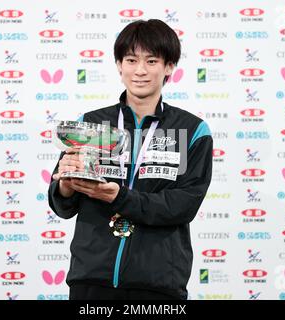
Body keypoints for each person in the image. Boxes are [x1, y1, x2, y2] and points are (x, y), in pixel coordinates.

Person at [48, 19, 213, 300]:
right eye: (131, 59)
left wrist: (119, 197)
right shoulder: (91, 123)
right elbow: (63, 205)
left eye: (151, 61)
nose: (140, 71)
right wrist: (65, 184)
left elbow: (183, 205)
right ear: (118, 65)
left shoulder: (192, 130)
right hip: (91, 280)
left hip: (158, 283)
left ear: (169, 67)